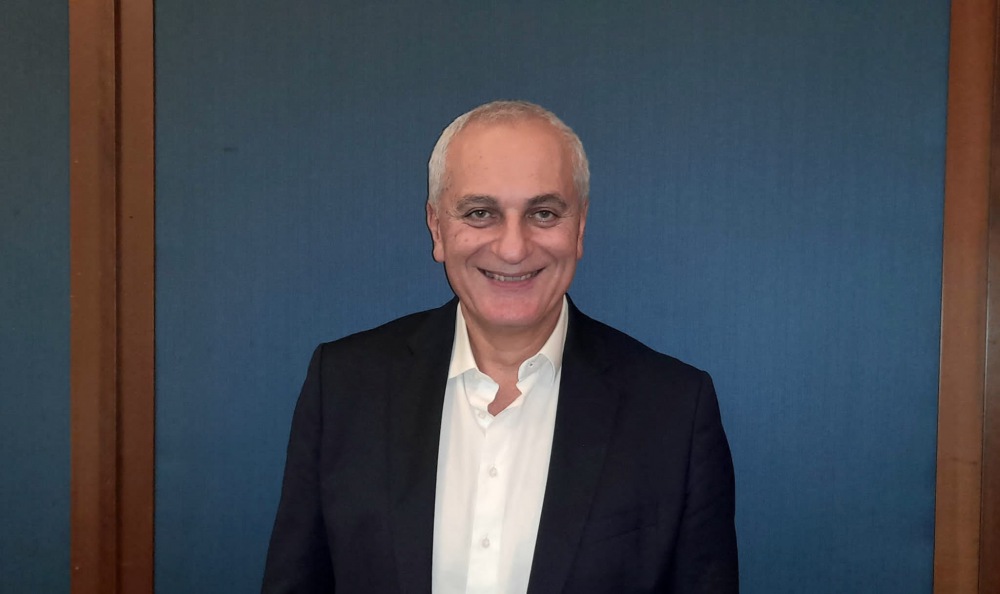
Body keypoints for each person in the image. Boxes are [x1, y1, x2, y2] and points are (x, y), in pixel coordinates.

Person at [262, 100, 738, 593]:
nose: (513, 248)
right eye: (480, 213)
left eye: (543, 213)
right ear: (437, 228)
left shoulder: (674, 411)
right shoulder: (343, 387)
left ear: (579, 227)